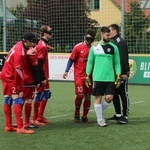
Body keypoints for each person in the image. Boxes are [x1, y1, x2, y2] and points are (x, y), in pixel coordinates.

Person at [1, 32, 37, 134]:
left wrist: (27, 53)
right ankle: (21, 127)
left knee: (8, 98)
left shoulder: (19, 44)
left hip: (5, 73)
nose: (34, 43)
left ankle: (8, 126)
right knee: (18, 99)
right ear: (27, 41)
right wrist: (19, 88)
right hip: (11, 76)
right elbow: (18, 71)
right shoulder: (20, 52)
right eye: (33, 41)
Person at [86, 26, 121, 127]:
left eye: (110, 35)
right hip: (98, 77)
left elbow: (117, 63)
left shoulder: (114, 47)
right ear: (102, 34)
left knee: (109, 97)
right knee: (98, 98)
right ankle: (100, 119)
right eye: (107, 35)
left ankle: (98, 112)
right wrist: (87, 75)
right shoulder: (94, 47)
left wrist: (118, 75)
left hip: (110, 77)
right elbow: (90, 62)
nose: (109, 37)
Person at [63, 29, 95, 123]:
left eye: (91, 39)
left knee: (88, 96)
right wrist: (66, 71)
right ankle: (77, 113)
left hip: (89, 77)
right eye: (88, 38)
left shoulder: (93, 48)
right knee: (80, 95)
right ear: (85, 37)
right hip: (79, 76)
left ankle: (84, 116)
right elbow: (71, 60)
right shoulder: (77, 47)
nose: (89, 40)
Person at [107, 24, 130, 124]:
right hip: (114, 73)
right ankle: (118, 114)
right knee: (114, 93)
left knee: (123, 94)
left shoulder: (121, 42)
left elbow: (124, 58)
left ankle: (125, 116)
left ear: (115, 31)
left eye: (110, 31)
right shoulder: (113, 42)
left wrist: (124, 72)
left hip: (121, 73)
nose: (108, 33)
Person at [32, 25, 53, 125]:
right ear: (44, 33)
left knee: (46, 94)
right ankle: (35, 118)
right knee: (39, 95)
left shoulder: (43, 44)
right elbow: (39, 63)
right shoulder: (42, 46)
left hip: (44, 74)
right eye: (49, 32)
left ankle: (40, 116)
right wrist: (41, 78)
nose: (51, 33)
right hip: (42, 75)